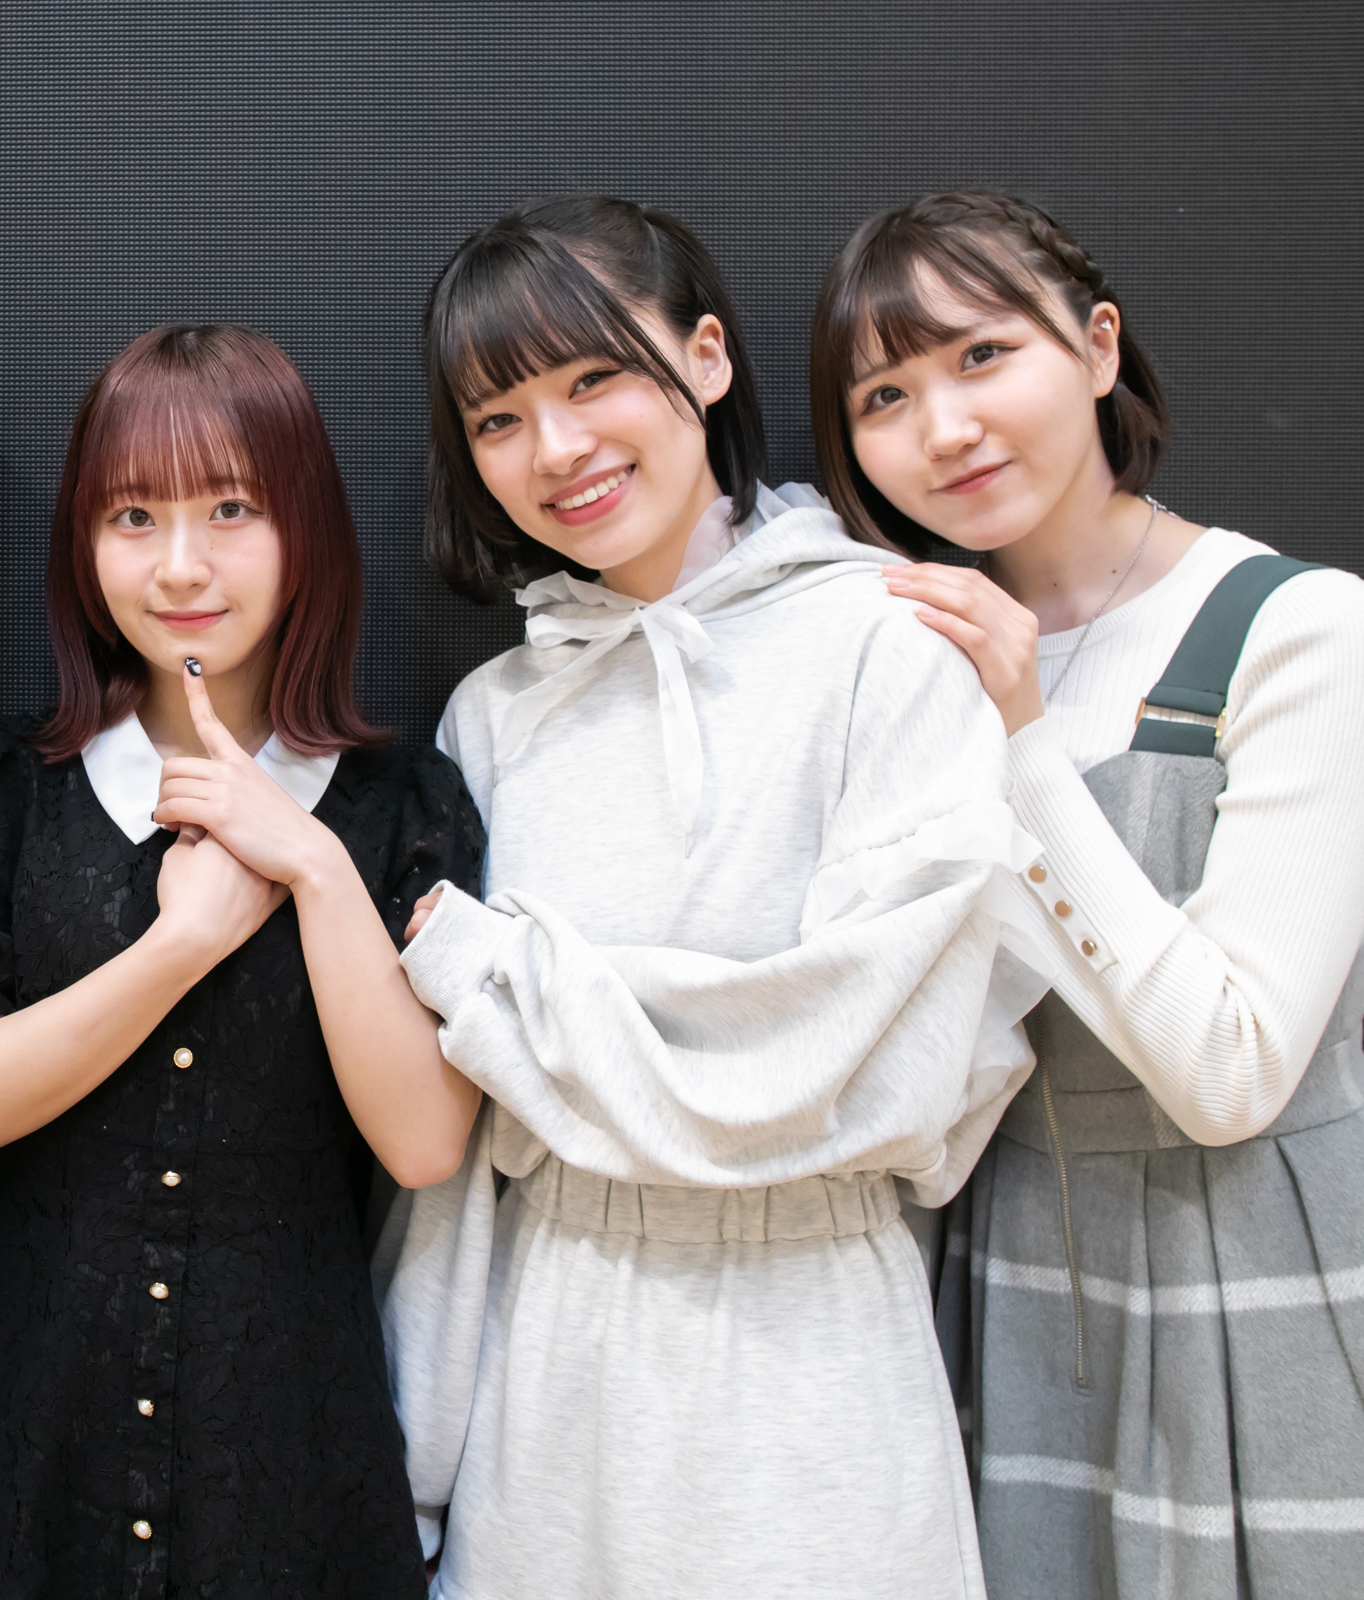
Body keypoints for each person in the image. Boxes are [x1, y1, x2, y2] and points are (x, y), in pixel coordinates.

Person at [379, 194, 1040, 1599]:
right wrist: (416, 1461)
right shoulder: (490, 715)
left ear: (707, 356)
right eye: (497, 418)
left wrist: (506, 982)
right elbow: (460, 1147)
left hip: (816, 1352)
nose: (557, 449)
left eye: (592, 378)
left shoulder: (892, 638)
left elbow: (870, 1069)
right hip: (547, 1366)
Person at [812, 187, 1364, 1599]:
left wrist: (1022, 735)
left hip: (1255, 1271)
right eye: (885, 395)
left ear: (1099, 347)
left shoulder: (1299, 629)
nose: (944, 427)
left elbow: (1234, 1071)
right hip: (1006, 1281)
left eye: (984, 355)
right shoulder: (896, 663)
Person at [0, 323, 483, 1598]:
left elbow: (425, 1141)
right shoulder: (0, 777)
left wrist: (310, 864)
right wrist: (183, 943)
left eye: (231, 509)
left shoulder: (403, 803)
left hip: (289, 1451)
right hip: (29, 1439)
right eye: (132, 516)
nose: (178, 566)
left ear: (305, 528)